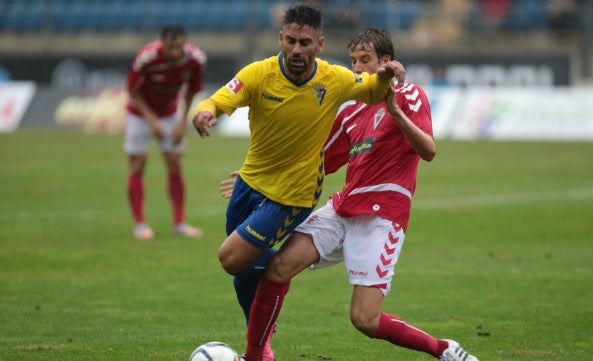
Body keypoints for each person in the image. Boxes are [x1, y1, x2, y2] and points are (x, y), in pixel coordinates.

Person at [224, 28, 479, 361]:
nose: (357, 69)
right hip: (343, 208)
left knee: (364, 320)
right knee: (278, 267)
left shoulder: (409, 95)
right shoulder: (350, 110)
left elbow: (428, 150)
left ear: (385, 62)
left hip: (382, 217)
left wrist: (396, 112)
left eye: (365, 61)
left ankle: (443, 349)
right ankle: (256, 356)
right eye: (353, 61)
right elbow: (314, 160)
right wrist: (256, 180)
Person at [191, 5, 406, 361]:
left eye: (305, 42)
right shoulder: (259, 73)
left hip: (293, 196)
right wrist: (206, 112)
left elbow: (371, 90)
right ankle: (262, 343)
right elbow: (221, 98)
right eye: (290, 40)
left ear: (318, 44)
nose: (296, 49)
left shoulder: (334, 79)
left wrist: (384, 74)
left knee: (231, 258)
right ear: (281, 39)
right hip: (251, 183)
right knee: (246, 270)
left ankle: (282, 281)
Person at [124, 25, 205, 240]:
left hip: (170, 113)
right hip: (139, 114)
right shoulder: (147, 58)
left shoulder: (195, 59)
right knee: (138, 165)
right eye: (171, 47)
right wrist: (151, 121)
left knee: (175, 163)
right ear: (163, 45)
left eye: (180, 47)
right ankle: (140, 224)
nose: (176, 52)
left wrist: (182, 122)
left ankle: (179, 222)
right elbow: (132, 91)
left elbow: (191, 91)